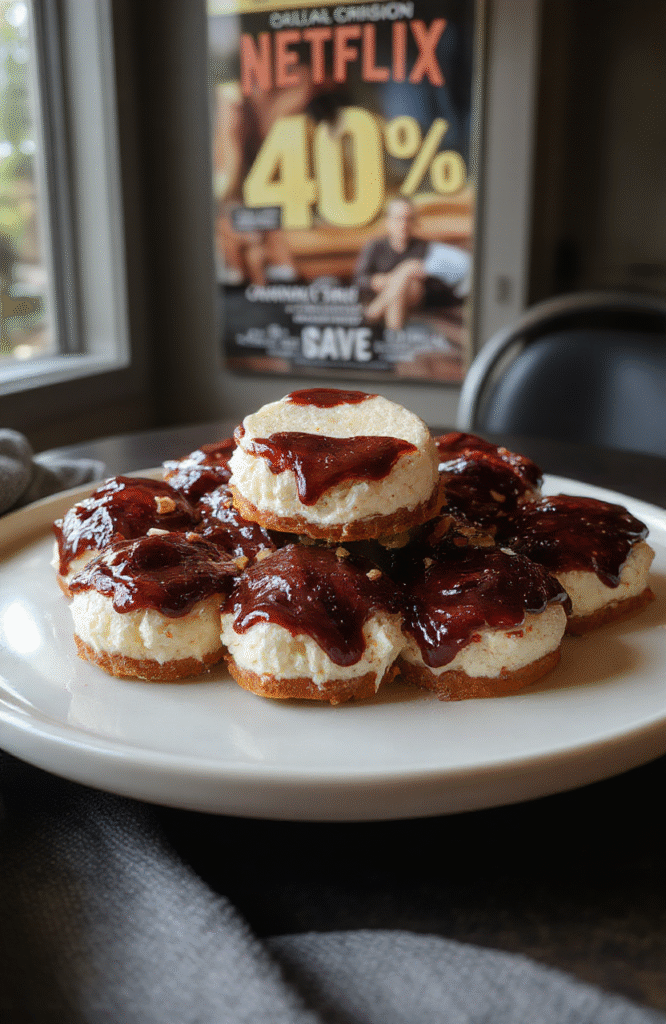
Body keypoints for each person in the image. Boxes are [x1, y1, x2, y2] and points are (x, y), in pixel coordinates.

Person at [354, 198, 431, 330]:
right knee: (405, 277)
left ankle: (372, 313)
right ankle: (394, 332)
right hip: (383, 297)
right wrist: (383, 281)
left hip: (415, 301)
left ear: (414, 222)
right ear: (388, 221)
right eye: (398, 219)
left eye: (408, 219)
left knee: (411, 276)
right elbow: (359, 280)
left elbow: (433, 284)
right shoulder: (375, 246)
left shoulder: (424, 248)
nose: (403, 224)